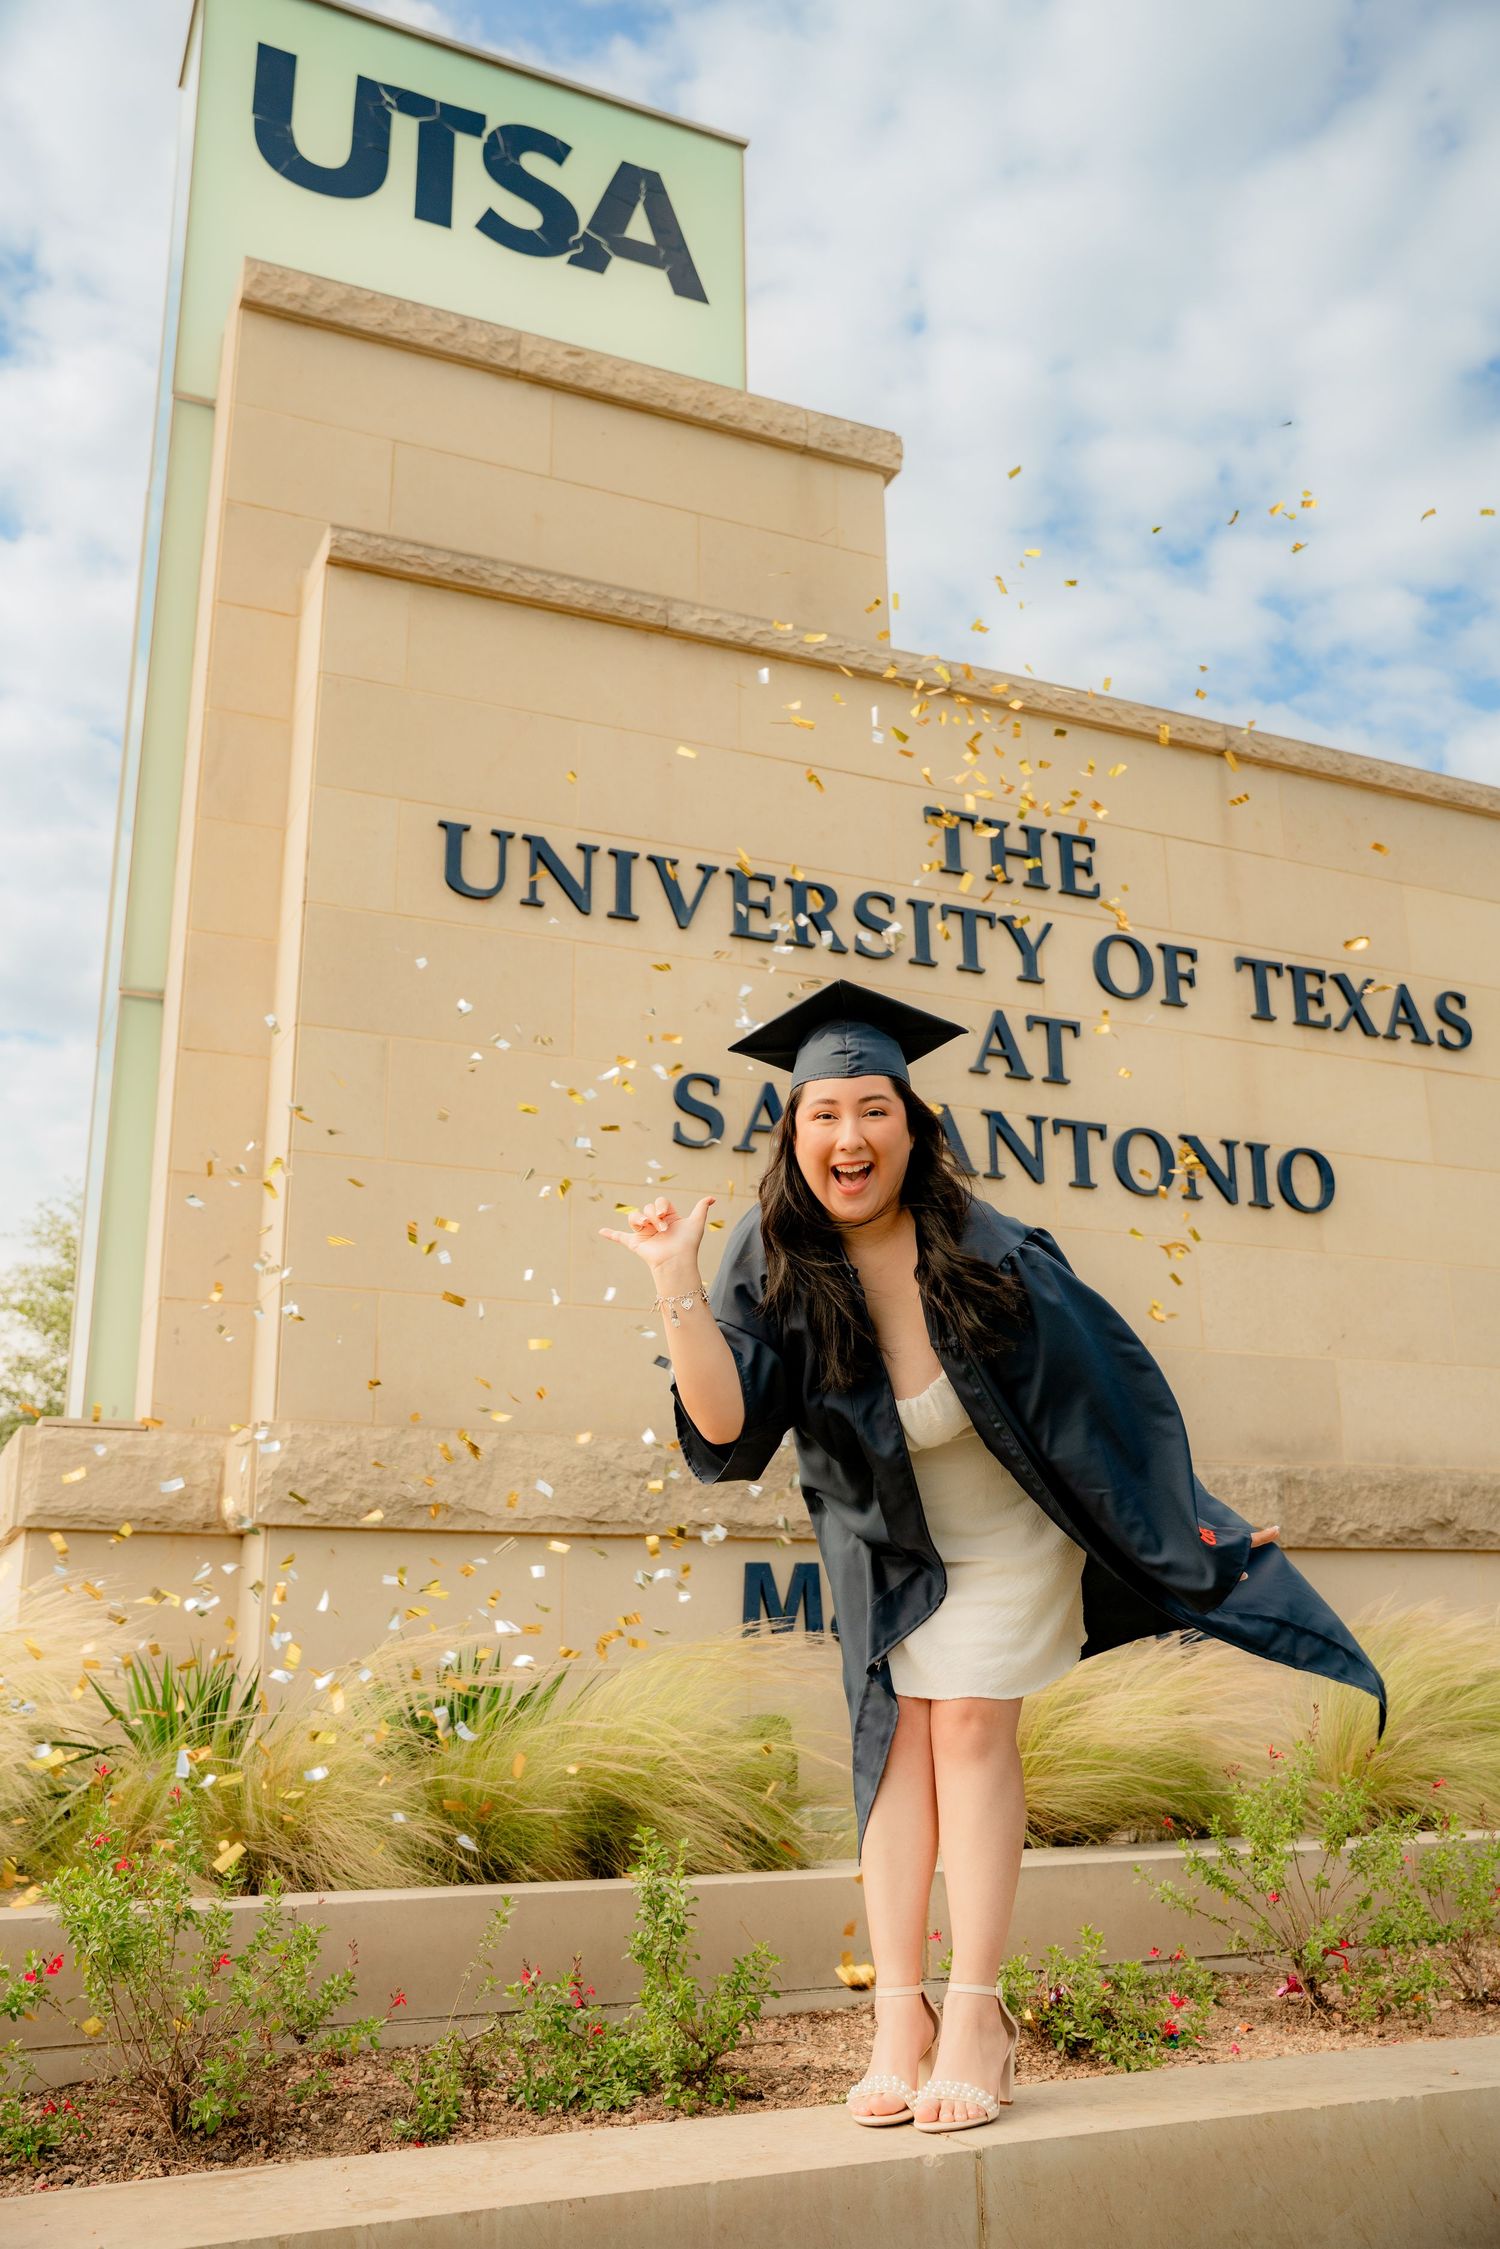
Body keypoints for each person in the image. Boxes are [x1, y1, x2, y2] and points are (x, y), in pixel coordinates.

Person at [599, 978, 1385, 2134]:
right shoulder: (773, 1264)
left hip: (1009, 1534)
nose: (848, 1134)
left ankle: (975, 2012)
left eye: (874, 1107)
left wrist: (1198, 1518)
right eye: (823, 1114)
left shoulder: (996, 1256)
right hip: (885, 1542)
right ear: (794, 1137)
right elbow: (723, 1428)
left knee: (966, 1719)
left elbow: (1111, 1411)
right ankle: (897, 2019)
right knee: (893, 1746)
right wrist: (673, 1281)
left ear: (912, 1131)